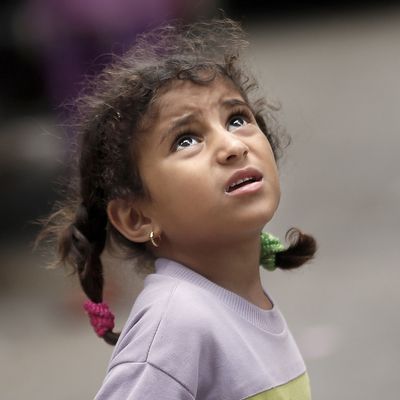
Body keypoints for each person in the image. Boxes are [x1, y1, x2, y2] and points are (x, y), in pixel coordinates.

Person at [38, 17, 317, 399]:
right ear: (137, 217)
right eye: (186, 140)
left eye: (237, 119)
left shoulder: (231, 303)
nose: (232, 146)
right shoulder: (179, 322)